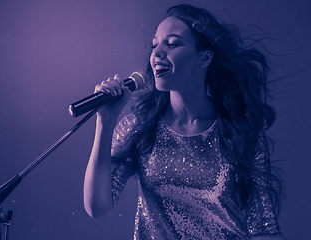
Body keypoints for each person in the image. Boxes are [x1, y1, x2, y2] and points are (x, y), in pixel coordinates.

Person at [83, 4, 286, 240]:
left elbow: (264, 229)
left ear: (205, 57)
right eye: (154, 44)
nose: (157, 53)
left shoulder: (239, 132)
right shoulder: (138, 127)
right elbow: (97, 207)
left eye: (173, 43)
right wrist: (105, 123)